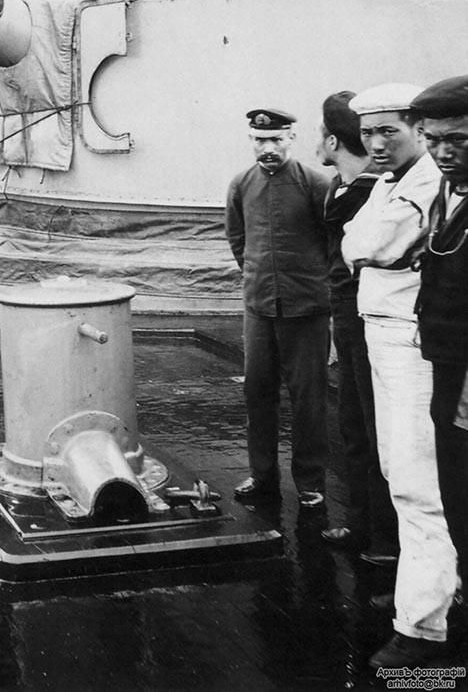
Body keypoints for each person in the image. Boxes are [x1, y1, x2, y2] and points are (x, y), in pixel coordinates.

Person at [342, 83, 457, 669]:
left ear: (416, 129)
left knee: (418, 484)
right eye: (367, 132)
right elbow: (355, 246)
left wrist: (366, 246)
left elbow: (366, 243)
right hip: (384, 336)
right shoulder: (392, 182)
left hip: (412, 343)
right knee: (398, 471)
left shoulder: (427, 183)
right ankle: (431, 585)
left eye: (390, 130)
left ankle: (422, 633)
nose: (376, 143)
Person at [225, 108, 332, 507]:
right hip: (259, 308)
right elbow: (238, 240)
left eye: (275, 140)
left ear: (291, 139)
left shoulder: (316, 184)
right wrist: (259, 278)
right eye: (259, 140)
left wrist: (312, 286)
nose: (267, 148)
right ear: (251, 141)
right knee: (258, 392)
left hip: (307, 309)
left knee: (308, 397)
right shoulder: (241, 185)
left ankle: (310, 480)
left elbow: (331, 243)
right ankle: (262, 475)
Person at [315, 92, 398, 563]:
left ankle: (387, 540)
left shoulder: (370, 191)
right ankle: (363, 524)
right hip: (345, 317)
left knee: (376, 427)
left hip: (367, 317)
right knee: (352, 425)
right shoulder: (341, 188)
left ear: (331, 138)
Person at [410, 75, 468, 579]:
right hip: (445, 361)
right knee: (453, 484)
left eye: (458, 140)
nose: (443, 152)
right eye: (432, 140)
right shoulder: (448, 191)